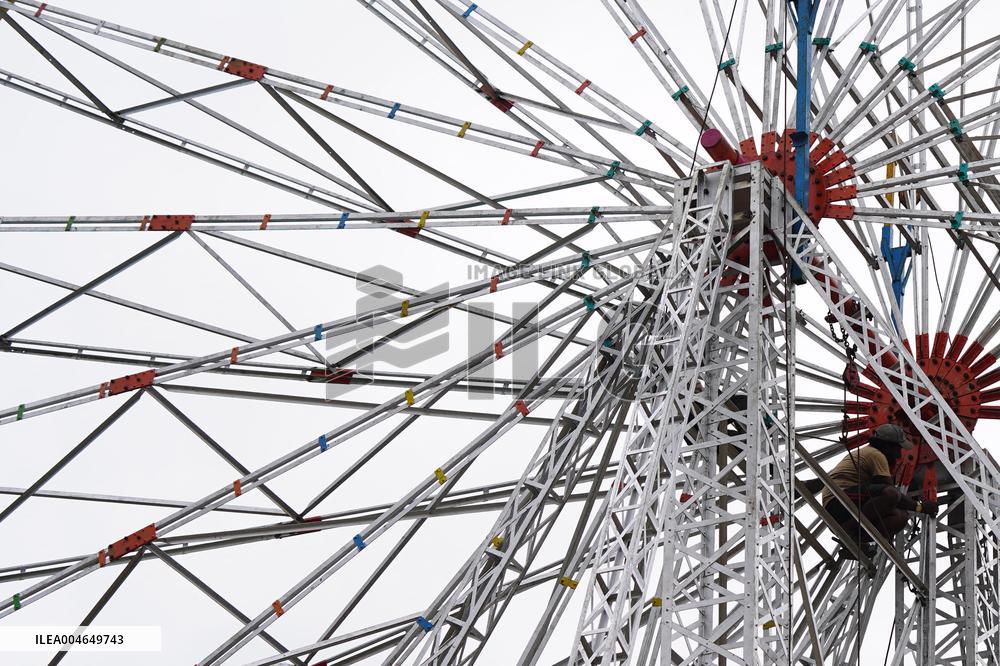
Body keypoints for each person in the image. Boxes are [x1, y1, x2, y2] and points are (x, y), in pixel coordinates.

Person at [821, 423, 938, 558]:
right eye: (898, 448)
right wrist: (920, 507)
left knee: (900, 517)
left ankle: (858, 541)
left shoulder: (871, 454)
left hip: (845, 509)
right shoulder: (875, 454)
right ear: (888, 446)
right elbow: (891, 493)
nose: (900, 454)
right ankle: (850, 533)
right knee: (891, 494)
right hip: (839, 500)